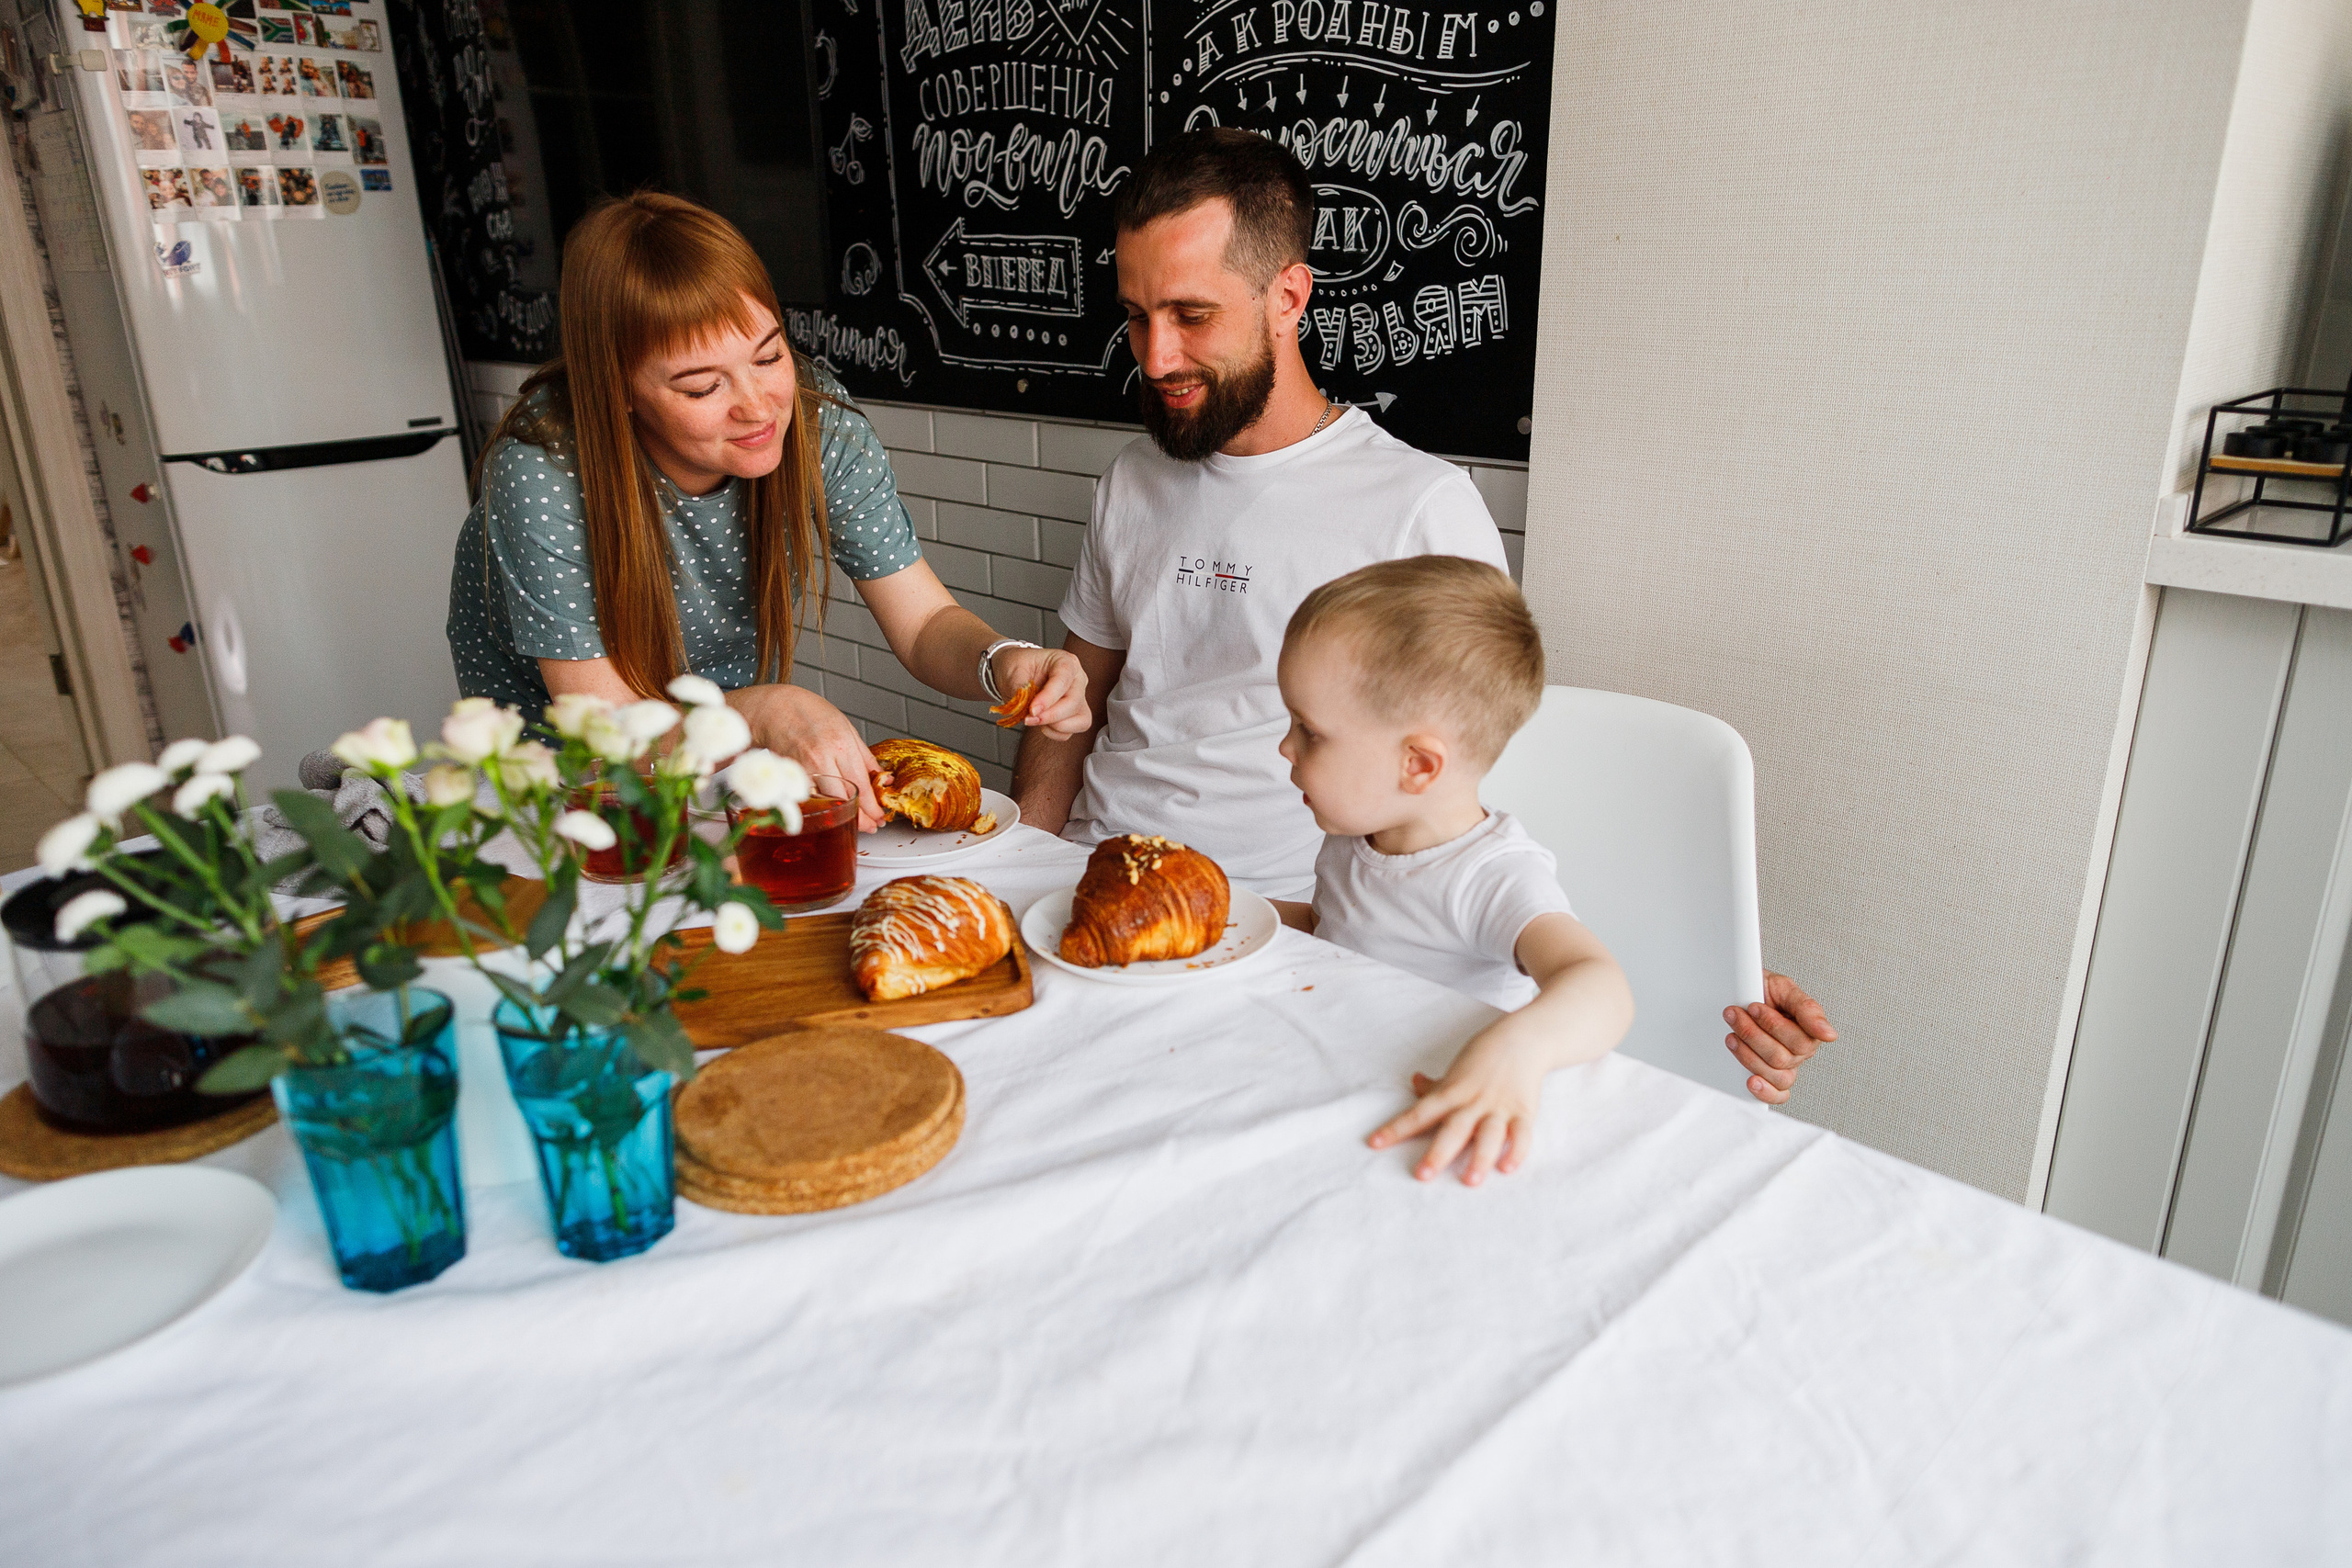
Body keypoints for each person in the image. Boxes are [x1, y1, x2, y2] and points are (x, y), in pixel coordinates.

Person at [1012, 129, 1836, 1104]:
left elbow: (1468, 813)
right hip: (1089, 890)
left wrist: (1697, 985)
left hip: (1272, 935)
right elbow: (1076, 703)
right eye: (1138, 315)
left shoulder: (1417, 508)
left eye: (1192, 316)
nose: (1154, 356)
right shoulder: (1130, 480)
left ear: (1288, 296)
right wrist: (1025, 858)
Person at [446, 192, 1088, 829]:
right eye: (702, 385)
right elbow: (607, 732)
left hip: (720, 760)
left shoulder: (815, 422)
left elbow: (923, 626)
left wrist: (1004, 661)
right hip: (561, 793)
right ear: (618, 390)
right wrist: (765, 711)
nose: (759, 407)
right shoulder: (542, 469)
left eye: (769, 355)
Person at [1278, 557, 1634, 1185]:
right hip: (1350, 1086)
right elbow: (1342, 932)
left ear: (1418, 765)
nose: (1285, 747)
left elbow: (1600, 984)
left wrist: (1517, 1051)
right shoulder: (1356, 838)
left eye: (1309, 731)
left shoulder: (1492, 876)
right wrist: (1235, 904)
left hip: (1458, 1128)